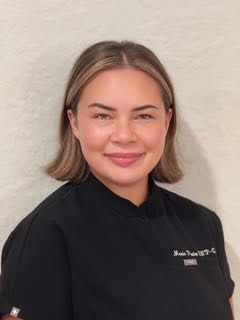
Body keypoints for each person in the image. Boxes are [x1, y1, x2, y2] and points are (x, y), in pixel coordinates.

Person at [0, 40, 235, 320]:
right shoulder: (46, 235)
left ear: (167, 121)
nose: (124, 135)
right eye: (103, 115)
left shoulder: (202, 225)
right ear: (75, 123)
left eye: (144, 116)